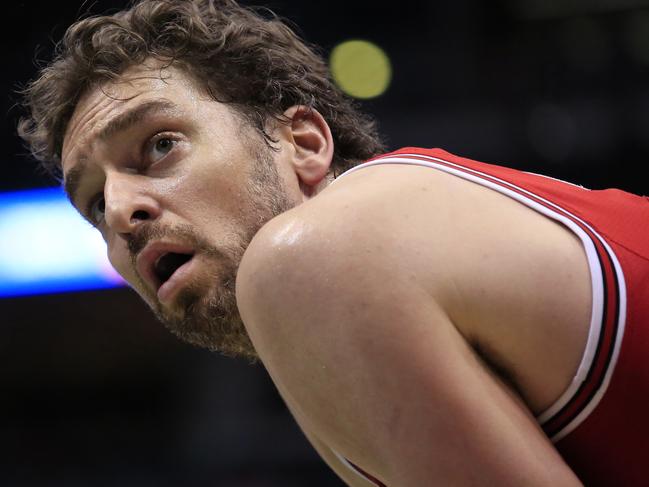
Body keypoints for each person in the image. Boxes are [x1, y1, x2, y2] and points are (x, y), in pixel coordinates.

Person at [17, 1, 648, 485]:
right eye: (96, 202)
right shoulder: (414, 240)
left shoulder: (312, 255)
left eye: (160, 145)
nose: (123, 210)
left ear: (304, 143)